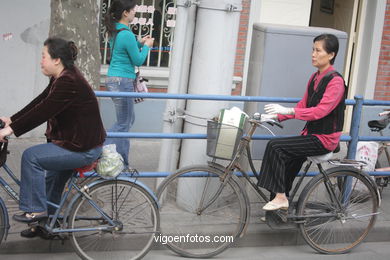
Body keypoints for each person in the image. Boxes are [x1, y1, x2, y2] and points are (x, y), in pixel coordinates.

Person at [0, 37, 106, 226]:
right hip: (75, 144)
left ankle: (36, 211)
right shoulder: (62, 77)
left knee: (31, 157)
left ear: (56, 59)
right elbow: (41, 102)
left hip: (83, 149)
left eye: (43, 56)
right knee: (51, 183)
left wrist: (10, 130)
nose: (41, 61)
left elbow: (43, 111)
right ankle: (47, 225)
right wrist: (12, 120)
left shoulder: (69, 81)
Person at [257, 33, 347, 211]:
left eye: (318, 50)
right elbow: (303, 105)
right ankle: (281, 206)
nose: (313, 54)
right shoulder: (315, 77)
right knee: (285, 165)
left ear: (331, 55)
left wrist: (288, 111)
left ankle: (281, 197)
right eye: (312, 49)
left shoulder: (336, 82)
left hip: (324, 139)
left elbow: (321, 111)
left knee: (275, 146)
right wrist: (276, 116)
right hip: (311, 135)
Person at [104, 0, 154, 168]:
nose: (135, 13)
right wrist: (147, 46)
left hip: (113, 79)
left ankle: (117, 158)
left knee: (127, 120)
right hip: (122, 81)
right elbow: (138, 59)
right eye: (133, 10)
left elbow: (123, 48)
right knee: (123, 123)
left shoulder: (117, 30)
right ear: (125, 13)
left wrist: (139, 42)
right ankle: (113, 158)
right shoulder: (126, 34)